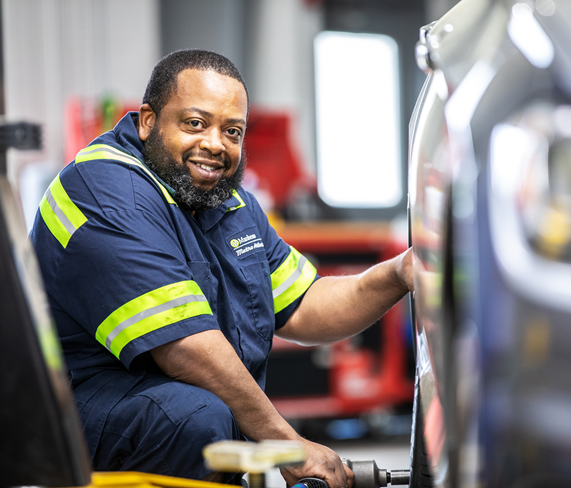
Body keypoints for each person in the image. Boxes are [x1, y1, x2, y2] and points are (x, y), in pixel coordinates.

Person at [30, 49, 412, 488]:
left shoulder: (226, 201)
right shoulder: (105, 189)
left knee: (208, 414)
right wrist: (289, 447)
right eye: (195, 123)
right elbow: (184, 347)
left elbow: (305, 306)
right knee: (197, 418)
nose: (215, 143)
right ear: (148, 121)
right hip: (71, 410)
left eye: (232, 131)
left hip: (167, 408)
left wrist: (399, 272)